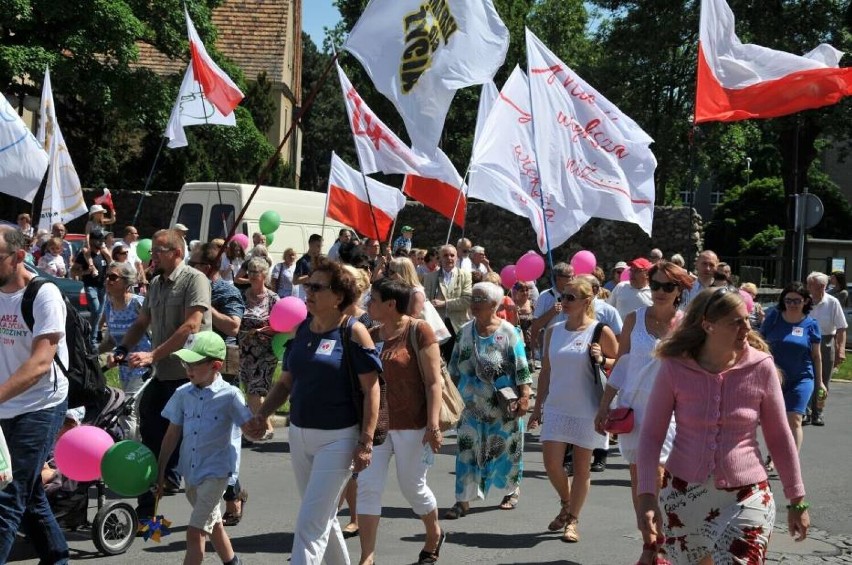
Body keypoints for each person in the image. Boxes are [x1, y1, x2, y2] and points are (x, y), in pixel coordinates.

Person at [637, 288, 810, 565]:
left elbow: (779, 437)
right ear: (708, 325)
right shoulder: (674, 368)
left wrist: (797, 499)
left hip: (747, 494)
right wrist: (646, 496)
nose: (747, 328)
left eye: (747, 319)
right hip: (685, 496)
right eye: (736, 321)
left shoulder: (761, 366)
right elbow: (651, 436)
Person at [247, 257, 381, 565]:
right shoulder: (303, 329)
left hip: (339, 439)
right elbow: (285, 382)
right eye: (308, 286)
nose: (308, 292)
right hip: (299, 433)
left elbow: (371, 389)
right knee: (323, 516)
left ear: (338, 297)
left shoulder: (353, 332)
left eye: (316, 287)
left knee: (309, 524)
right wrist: (263, 413)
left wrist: (366, 441)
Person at [594, 261, 692, 564]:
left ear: (679, 290)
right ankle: (650, 543)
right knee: (639, 482)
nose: (660, 292)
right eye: (656, 285)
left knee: (659, 478)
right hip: (633, 409)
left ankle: (662, 546)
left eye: (668, 286)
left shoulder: (687, 324)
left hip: (670, 412)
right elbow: (621, 364)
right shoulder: (634, 319)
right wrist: (604, 405)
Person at [117, 228, 212, 520]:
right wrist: (122, 348)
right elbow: (142, 320)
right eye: (152, 251)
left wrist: (151, 355)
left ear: (177, 253)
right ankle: (148, 511)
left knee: (202, 445)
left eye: (158, 250)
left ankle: (231, 491)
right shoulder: (156, 283)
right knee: (151, 433)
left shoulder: (195, 280)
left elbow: (191, 326)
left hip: (191, 375)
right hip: (162, 375)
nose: (152, 255)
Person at [358, 278, 445, 565]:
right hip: (379, 425)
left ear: (391, 304)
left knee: (412, 487)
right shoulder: (370, 333)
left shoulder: (418, 330)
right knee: (368, 486)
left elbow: (434, 382)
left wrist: (433, 425)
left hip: (414, 425)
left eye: (374, 299)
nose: (368, 304)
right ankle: (367, 556)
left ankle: (434, 533)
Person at [528, 278, 618, 543]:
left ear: (586, 301)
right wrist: (537, 408)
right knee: (551, 464)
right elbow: (546, 371)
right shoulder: (554, 330)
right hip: (557, 406)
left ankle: (573, 520)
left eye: (570, 298)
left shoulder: (600, 330)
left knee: (581, 468)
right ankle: (566, 503)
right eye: (563, 297)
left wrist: (603, 358)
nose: (563, 302)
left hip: (588, 408)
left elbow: (621, 362)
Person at [0, 226, 70, 563]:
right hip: (4, 404)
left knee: (7, 496)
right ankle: (57, 557)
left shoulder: (44, 295)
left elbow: (41, 362)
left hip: (40, 404)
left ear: (18, 257)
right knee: (27, 495)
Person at [158, 331, 252, 565]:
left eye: (195, 364)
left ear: (215, 365)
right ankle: (233, 562)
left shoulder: (230, 395)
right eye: (185, 362)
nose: (188, 369)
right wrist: (161, 473)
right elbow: (172, 434)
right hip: (191, 471)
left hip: (217, 472)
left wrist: (261, 428)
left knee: (195, 531)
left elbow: (249, 427)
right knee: (214, 524)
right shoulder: (182, 394)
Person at [444, 282, 532, 519]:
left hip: (503, 406)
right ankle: (462, 500)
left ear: (494, 304)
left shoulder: (508, 333)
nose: (473, 304)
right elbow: (453, 368)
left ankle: (511, 490)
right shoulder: (464, 331)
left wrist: (525, 397)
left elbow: (522, 369)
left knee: (506, 450)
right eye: (472, 299)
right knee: (466, 452)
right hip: (470, 407)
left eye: (479, 300)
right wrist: (447, 397)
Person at [189, 243, 247, 525]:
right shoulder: (188, 286)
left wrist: (206, 306)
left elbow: (234, 326)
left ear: (207, 268)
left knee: (225, 435)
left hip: (223, 363)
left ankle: (233, 495)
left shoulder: (227, 290)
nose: (189, 267)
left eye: (194, 263)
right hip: (194, 363)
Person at [760, 282, 823, 450]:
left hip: (802, 378)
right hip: (775, 378)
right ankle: (774, 456)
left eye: (797, 301)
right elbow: (759, 342)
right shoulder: (774, 318)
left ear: (805, 302)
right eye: (788, 300)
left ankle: (791, 461)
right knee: (776, 422)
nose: (792, 304)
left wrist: (820, 382)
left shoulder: (811, 324)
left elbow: (816, 356)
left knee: (795, 419)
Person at [100, 261, 152, 435]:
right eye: (107, 276)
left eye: (113, 277)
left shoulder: (138, 303)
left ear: (127, 282)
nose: (108, 280)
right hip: (124, 368)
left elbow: (155, 333)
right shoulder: (109, 305)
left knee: (127, 411)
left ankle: (130, 453)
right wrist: (92, 353)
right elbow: (111, 340)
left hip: (142, 366)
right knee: (130, 413)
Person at [238, 258, 279, 441]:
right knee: (250, 390)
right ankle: (263, 425)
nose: (252, 275)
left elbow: (282, 325)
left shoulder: (273, 298)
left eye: (256, 272)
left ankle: (265, 427)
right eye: (250, 271)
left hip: (264, 351)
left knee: (255, 391)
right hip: (244, 351)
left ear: (264, 275)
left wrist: (262, 329)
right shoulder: (241, 295)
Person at [805, 272, 846, 426]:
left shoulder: (832, 302)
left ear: (821, 286)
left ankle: (818, 412)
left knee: (823, 381)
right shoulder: (805, 301)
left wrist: (840, 349)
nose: (807, 287)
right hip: (806, 342)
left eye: (810, 284)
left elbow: (841, 327)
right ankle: (806, 411)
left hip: (825, 342)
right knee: (805, 378)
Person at [422, 245, 473, 362]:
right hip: (436, 326)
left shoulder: (465, 275)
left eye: (452, 255)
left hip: (458, 326)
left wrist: (444, 303)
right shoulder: (430, 277)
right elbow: (426, 302)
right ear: (439, 258)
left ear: (457, 258)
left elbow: (466, 301)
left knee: (457, 363)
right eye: (445, 255)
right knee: (435, 362)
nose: (449, 258)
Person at [73, 229, 111, 346]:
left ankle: (89, 335)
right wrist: (86, 272)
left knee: (99, 312)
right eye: (99, 239)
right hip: (90, 286)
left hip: (103, 287)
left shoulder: (104, 254)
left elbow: (112, 265)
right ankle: (93, 340)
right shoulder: (84, 255)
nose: (101, 242)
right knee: (96, 309)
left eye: (102, 239)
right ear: (93, 240)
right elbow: (73, 271)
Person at [512, 281, 536, 364]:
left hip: (530, 339)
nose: (525, 292)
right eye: (522, 291)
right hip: (517, 339)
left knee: (530, 367)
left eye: (527, 290)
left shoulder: (532, 304)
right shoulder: (512, 305)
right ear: (516, 292)